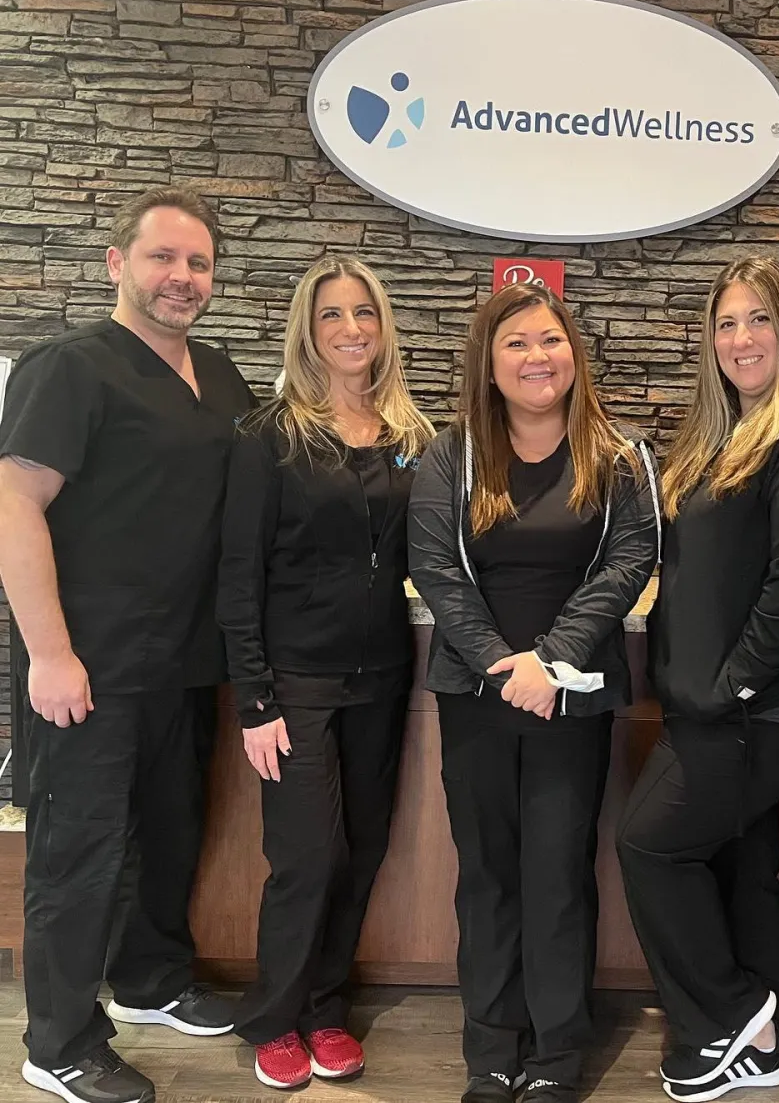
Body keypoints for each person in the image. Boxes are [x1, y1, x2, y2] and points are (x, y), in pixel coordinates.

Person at [0, 186, 257, 1103]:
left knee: (168, 835)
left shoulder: (219, 376)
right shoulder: (68, 368)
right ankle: (60, 1043)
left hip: (185, 664)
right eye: (163, 257)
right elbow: (14, 506)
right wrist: (49, 653)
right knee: (79, 854)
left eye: (198, 263)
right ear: (118, 263)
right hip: (90, 665)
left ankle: (151, 981)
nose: (182, 277)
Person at [616, 257, 779, 1101]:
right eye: (726, 323)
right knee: (742, 861)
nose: (741, 338)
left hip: (773, 706)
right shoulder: (725, 435)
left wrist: (731, 689)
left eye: (759, 318)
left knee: (650, 845)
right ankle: (762, 1048)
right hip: (718, 702)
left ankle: (730, 1016)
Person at [408, 282, 660, 1103]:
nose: (536, 357)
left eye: (550, 340)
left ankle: (556, 1051)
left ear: (573, 355)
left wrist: (549, 662)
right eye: (515, 343)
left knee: (557, 872)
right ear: (488, 363)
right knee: (487, 873)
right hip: (476, 695)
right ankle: (490, 1047)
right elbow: (435, 569)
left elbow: (629, 561)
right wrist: (501, 664)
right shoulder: (451, 455)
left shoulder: (618, 457)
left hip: (570, 698)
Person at [216, 255, 434, 1090]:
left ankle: (324, 1008)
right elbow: (239, 574)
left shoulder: (411, 436)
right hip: (295, 683)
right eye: (332, 315)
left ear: (384, 328)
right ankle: (274, 1017)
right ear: (307, 331)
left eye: (365, 313)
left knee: (362, 850)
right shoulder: (269, 435)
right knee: (306, 857)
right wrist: (255, 698)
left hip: (383, 676)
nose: (351, 329)